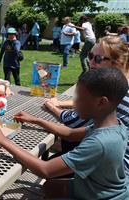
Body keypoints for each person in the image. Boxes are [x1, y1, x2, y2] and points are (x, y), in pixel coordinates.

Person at [0, 67, 129, 199]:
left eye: (79, 98)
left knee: (47, 184)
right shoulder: (111, 124)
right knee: (49, 186)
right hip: (96, 185)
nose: (75, 102)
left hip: (104, 196)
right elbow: (70, 133)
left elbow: (45, 169)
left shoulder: (100, 143)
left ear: (101, 102)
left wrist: (3, 140)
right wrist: (35, 120)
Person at [44, 36, 129, 175]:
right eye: (90, 56)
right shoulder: (121, 84)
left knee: (51, 167)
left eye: (98, 59)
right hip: (113, 155)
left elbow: (73, 122)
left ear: (117, 63)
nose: (90, 62)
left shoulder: (115, 91)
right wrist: (61, 102)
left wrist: (52, 106)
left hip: (117, 170)